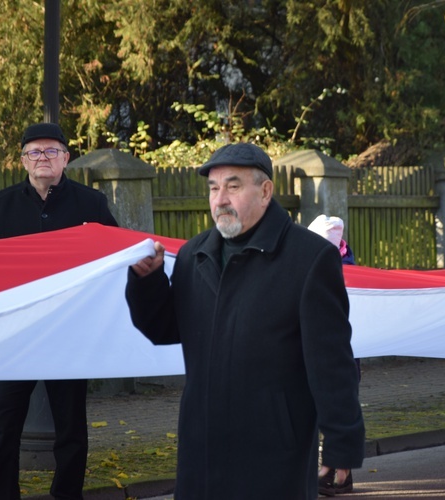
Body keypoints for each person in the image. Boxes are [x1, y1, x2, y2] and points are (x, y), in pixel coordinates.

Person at [125, 143, 365, 499]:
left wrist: (341, 444)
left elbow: (331, 360)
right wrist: (148, 283)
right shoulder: (195, 254)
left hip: (274, 451)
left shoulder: (309, 258)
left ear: (265, 191)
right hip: (201, 448)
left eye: (233, 186)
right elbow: (165, 329)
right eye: (213, 188)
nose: (220, 199)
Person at [0, 122, 118, 499]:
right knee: (1, 424)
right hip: (15, 335)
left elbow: (114, 257)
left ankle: (66, 495)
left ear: (66, 158)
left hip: (69, 333)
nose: (43, 158)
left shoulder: (92, 204)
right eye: (35, 152)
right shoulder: (1, 205)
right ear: (23, 160)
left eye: (51, 151)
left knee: (71, 427)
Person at [307, 214, 357, 496]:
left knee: (336, 412)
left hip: (341, 354)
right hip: (313, 352)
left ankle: (336, 471)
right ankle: (333, 472)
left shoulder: (347, 269)